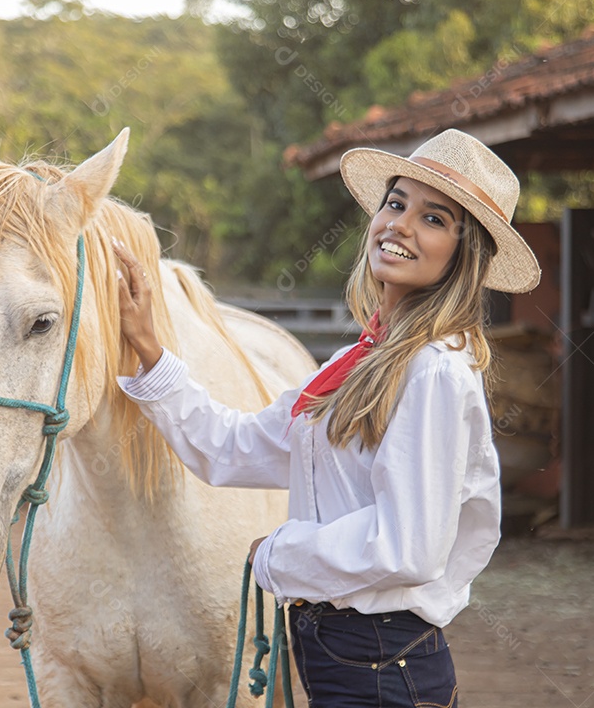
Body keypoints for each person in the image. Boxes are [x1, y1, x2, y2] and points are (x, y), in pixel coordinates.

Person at [112, 129, 540, 708]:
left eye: (435, 219)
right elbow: (232, 449)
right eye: (395, 203)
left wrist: (280, 554)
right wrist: (149, 347)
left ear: (464, 257)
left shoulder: (435, 372)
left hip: (383, 661)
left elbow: (409, 546)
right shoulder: (355, 363)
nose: (401, 225)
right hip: (342, 651)